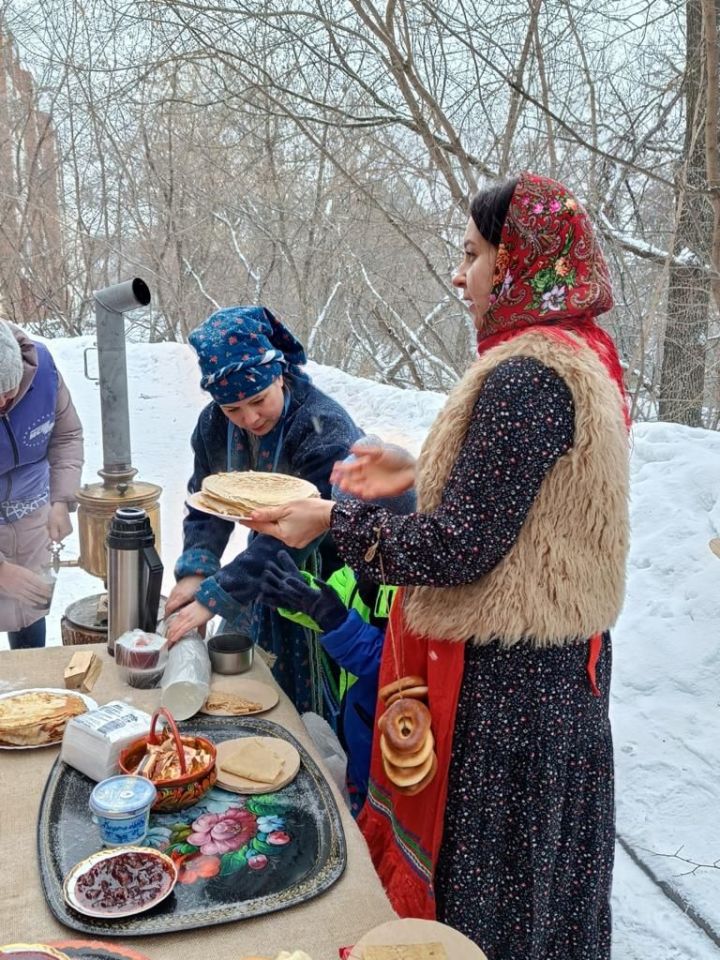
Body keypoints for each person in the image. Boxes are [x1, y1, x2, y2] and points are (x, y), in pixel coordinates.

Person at [240, 173, 630, 959]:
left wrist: (331, 519)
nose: (461, 274)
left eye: (474, 253)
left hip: (513, 698)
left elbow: (458, 549)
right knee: (539, 900)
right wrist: (415, 475)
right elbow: (531, 508)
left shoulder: (526, 379)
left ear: (519, 262)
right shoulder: (576, 356)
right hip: (552, 683)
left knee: (494, 905)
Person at [164, 305, 363, 718]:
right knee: (249, 684)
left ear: (278, 374)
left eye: (258, 401)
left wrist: (215, 597)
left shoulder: (322, 426)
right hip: (263, 561)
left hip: (331, 575)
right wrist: (197, 571)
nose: (249, 418)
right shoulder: (214, 425)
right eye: (232, 409)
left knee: (320, 698)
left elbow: (298, 534)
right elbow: (208, 503)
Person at [258, 465, 415, 815]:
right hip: (359, 727)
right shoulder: (357, 570)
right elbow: (337, 605)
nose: (342, 540)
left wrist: (334, 620)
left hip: (398, 744)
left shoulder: (415, 591)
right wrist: (301, 597)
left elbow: (397, 670)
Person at [0, 320, 84, 649]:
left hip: (31, 511)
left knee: (27, 609)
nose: (4, 404)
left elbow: (67, 436)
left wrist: (61, 501)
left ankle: (33, 691)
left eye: (9, 392)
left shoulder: (43, 372)